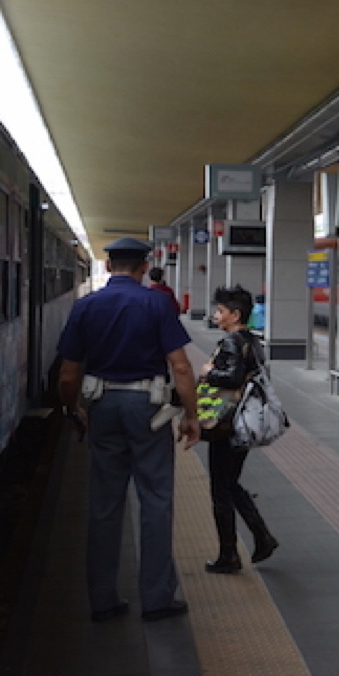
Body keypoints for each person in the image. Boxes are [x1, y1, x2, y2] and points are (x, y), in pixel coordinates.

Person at [56, 237, 201, 623]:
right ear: (143, 266)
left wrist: (74, 410)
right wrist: (192, 415)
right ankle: (156, 599)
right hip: (148, 408)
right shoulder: (156, 303)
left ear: (106, 266)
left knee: (104, 504)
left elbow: (68, 374)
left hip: (102, 406)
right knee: (155, 499)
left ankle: (102, 599)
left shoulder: (86, 306)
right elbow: (182, 367)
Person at [199, 285, 279, 573]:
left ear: (235, 314)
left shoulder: (232, 341)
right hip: (245, 422)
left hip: (227, 424)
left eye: (220, 311)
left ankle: (229, 554)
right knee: (230, 483)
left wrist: (209, 372)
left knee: (220, 488)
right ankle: (262, 537)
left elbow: (231, 379)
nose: (216, 315)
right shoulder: (253, 341)